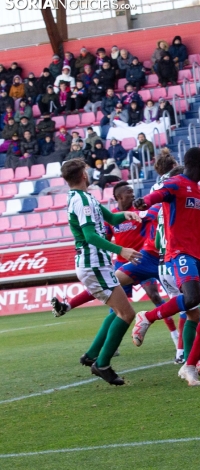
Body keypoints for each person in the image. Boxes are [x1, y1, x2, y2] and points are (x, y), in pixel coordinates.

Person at [131, 147, 200, 386]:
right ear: (199, 163)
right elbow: (157, 195)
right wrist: (143, 202)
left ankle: (190, 366)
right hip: (180, 253)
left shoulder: (198, 191)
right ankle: (147, 317)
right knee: (191, 299)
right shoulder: (176, 183)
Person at [52, 181, 182, 359]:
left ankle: (177, 340)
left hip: (141, 258)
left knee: (156, 296)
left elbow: (151, 216)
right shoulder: (112, 216)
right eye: (128, 192)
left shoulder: (139, 213)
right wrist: (110, 253)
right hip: (123, 262)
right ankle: (107, 344)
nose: (132, 194)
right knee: (116, 307)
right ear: (119, 197)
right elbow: (101, 236)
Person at [60, 158, 142, 385]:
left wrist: (125, 215)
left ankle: (94, 357)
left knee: (121, 312)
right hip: (93, 263)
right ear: (84, 175)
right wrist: (121, 250)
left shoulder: (83, 198)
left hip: (97, 264)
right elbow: (90, 236)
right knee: (126, 314)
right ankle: (102, 363)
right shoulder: (82, 201)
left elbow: (111, 218)